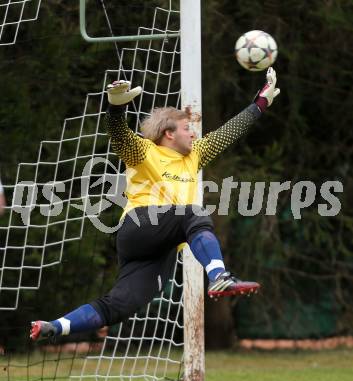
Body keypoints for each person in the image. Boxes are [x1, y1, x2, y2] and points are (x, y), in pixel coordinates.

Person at [30, 68, 280, 341]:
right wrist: (114, 108)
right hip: (139, 226)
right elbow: (120, 136)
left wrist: (260, 104)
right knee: (193, 214)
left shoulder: (194, 154)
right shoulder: (144, 150)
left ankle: (55, 326)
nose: (194, 135)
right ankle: (219, 275)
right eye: (187, 129)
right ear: (168, 134)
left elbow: (229, 132)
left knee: (120, 305)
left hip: (159, 248)